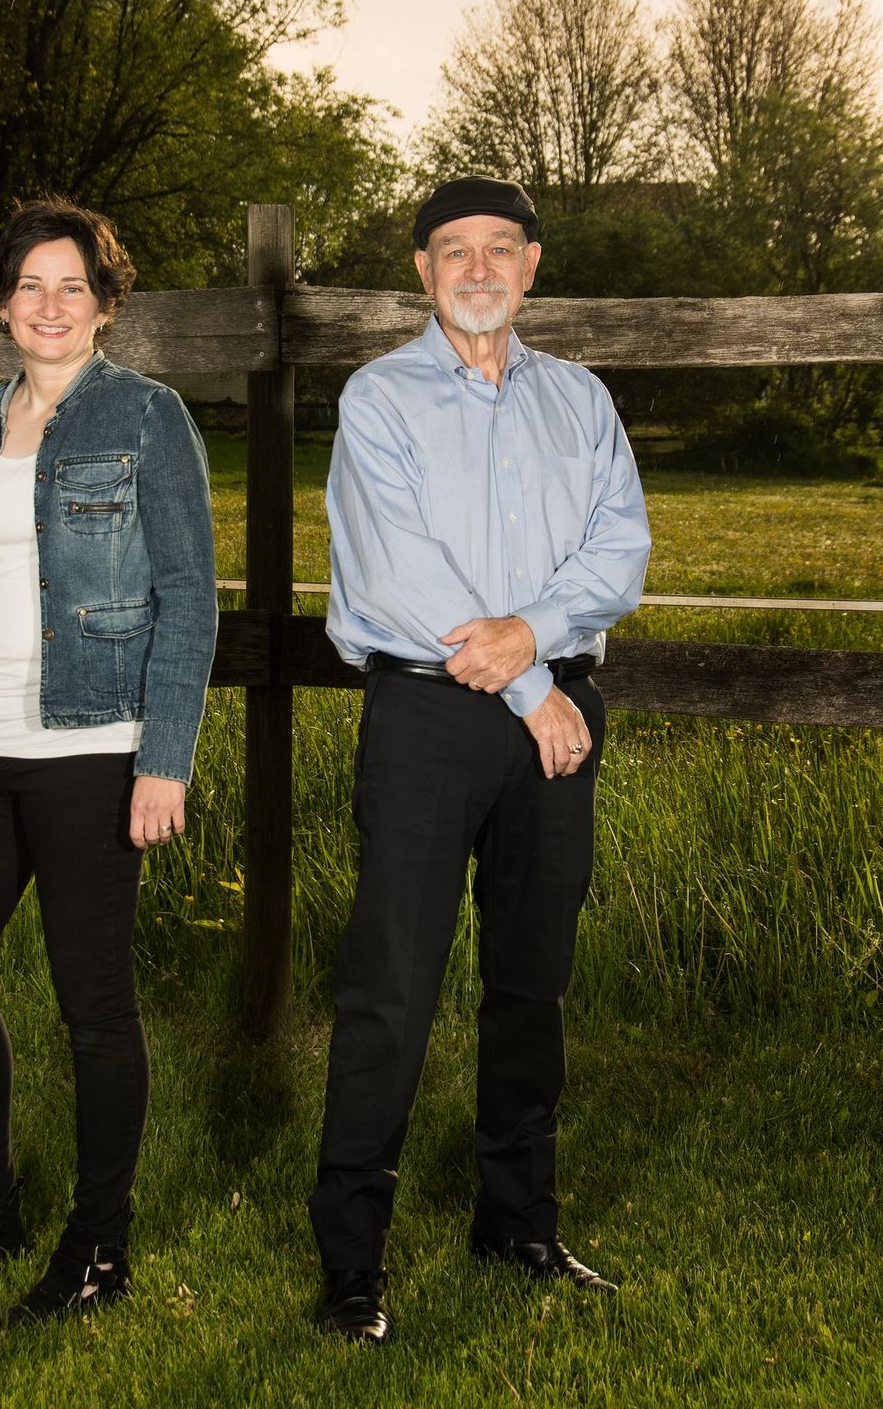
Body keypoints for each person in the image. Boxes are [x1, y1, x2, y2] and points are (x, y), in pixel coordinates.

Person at [310, 176, 652, 1344]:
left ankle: (519, 1222)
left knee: (530, 987)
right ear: (421, 271)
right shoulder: (380, 398)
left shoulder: (581, 400)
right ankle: (352, 1263)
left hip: (553, 717)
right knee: (390, 994)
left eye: (498, 247)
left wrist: (537, 651)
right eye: (453, 250)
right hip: (428, 721)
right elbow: (401, 579)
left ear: (532, 264)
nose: (477, 268)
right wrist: (530, 685)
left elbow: (620, 551)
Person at [0, 197, 217, 1325]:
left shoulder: (148, 419)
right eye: (30, 285)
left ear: (106, 306)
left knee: (94, 1007)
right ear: (0, 302)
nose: (50, 305)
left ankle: (98, 1249)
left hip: (92, 751)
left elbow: (190, 601)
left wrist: (163, 757)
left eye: (73, 286)